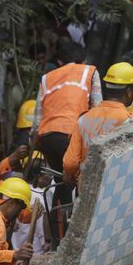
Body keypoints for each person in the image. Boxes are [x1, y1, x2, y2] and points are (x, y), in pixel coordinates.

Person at [31, 40, 101, 174]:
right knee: (77, 180)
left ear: (59, 61)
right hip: (71, 135)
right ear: (83, 59)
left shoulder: (47, 78)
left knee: (60, 179)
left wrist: (33, 141)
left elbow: (37, 118)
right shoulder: (90, 71)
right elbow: (97, 108)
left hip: (47, 137)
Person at [63, 62, 133, 186]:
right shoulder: (130, 122)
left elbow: (70, 163)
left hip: (85, 188)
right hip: (113, 188)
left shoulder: (84, 118)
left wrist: (68, 175)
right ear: (129, 92)